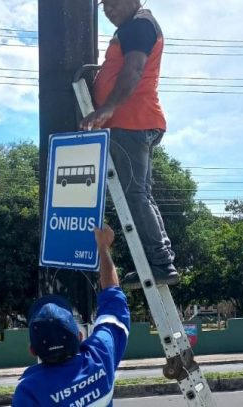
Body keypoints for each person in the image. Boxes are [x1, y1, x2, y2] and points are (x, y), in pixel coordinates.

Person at [81, 0, 178, 289]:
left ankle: (160, 263)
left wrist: (108, 106)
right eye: (103, 6)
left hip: (132, 122)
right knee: (139, 194)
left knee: (135, 195)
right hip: (134, 122)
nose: (108, 10)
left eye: (112, 3)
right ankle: (160, 261)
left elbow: (133, 70)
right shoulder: (133, 27)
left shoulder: (139, 25)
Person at [12, 225, 130, 407]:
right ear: (80, 336)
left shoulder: (29, 391)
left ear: (32, 351)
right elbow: (113, 297)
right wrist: (103, 248)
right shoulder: (100, 356)